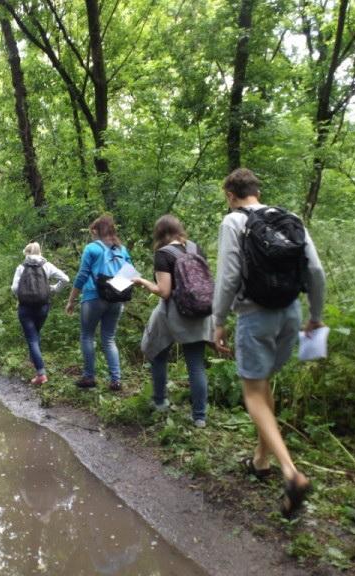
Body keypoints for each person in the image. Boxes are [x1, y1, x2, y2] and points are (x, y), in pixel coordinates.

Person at [213, 167, 325, 517]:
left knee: (252, 393)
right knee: (263, 387)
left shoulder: (233, 222)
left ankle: (291, 473)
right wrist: (315, 315)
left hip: (255, 316)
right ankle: (260, 461)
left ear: (231, 195)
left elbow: (229, 274)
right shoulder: (289, 217)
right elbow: (316, 271)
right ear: (256, 191)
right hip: (290, 313)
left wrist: (218, 321)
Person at [133, 215, 213, 428]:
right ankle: (199, 417)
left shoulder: (163, 254)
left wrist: (142, 282)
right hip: (202, 312)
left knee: (158, 355)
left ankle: (160, 402)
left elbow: (164, 291)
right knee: (196, 365)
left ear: (159, 234)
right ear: (179, 230)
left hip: (177, 314)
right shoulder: (195, 248)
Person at [65, 215, 132, 391]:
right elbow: (131, 274)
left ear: (95, 230)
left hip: (93, 297)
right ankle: (116, 380)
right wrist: (116, 290)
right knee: (109, 339)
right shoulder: (122, 250)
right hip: (116, 299)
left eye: (92, 232)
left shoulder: (92, 248)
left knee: (87, 336)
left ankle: (89, 377)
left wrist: (71, 300)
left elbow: (82, 276)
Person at [11, 242, 70, 385]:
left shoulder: (21, 267)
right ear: (40, 252)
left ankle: (41, 373)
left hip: (25, 307)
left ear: (27, 253)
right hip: (42, 307)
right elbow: (66, 279)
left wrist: (22, 294)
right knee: (35, 335)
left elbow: (14, 288)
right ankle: (34, 360)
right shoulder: (47, 265)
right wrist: (53, 289)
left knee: (32, 338)